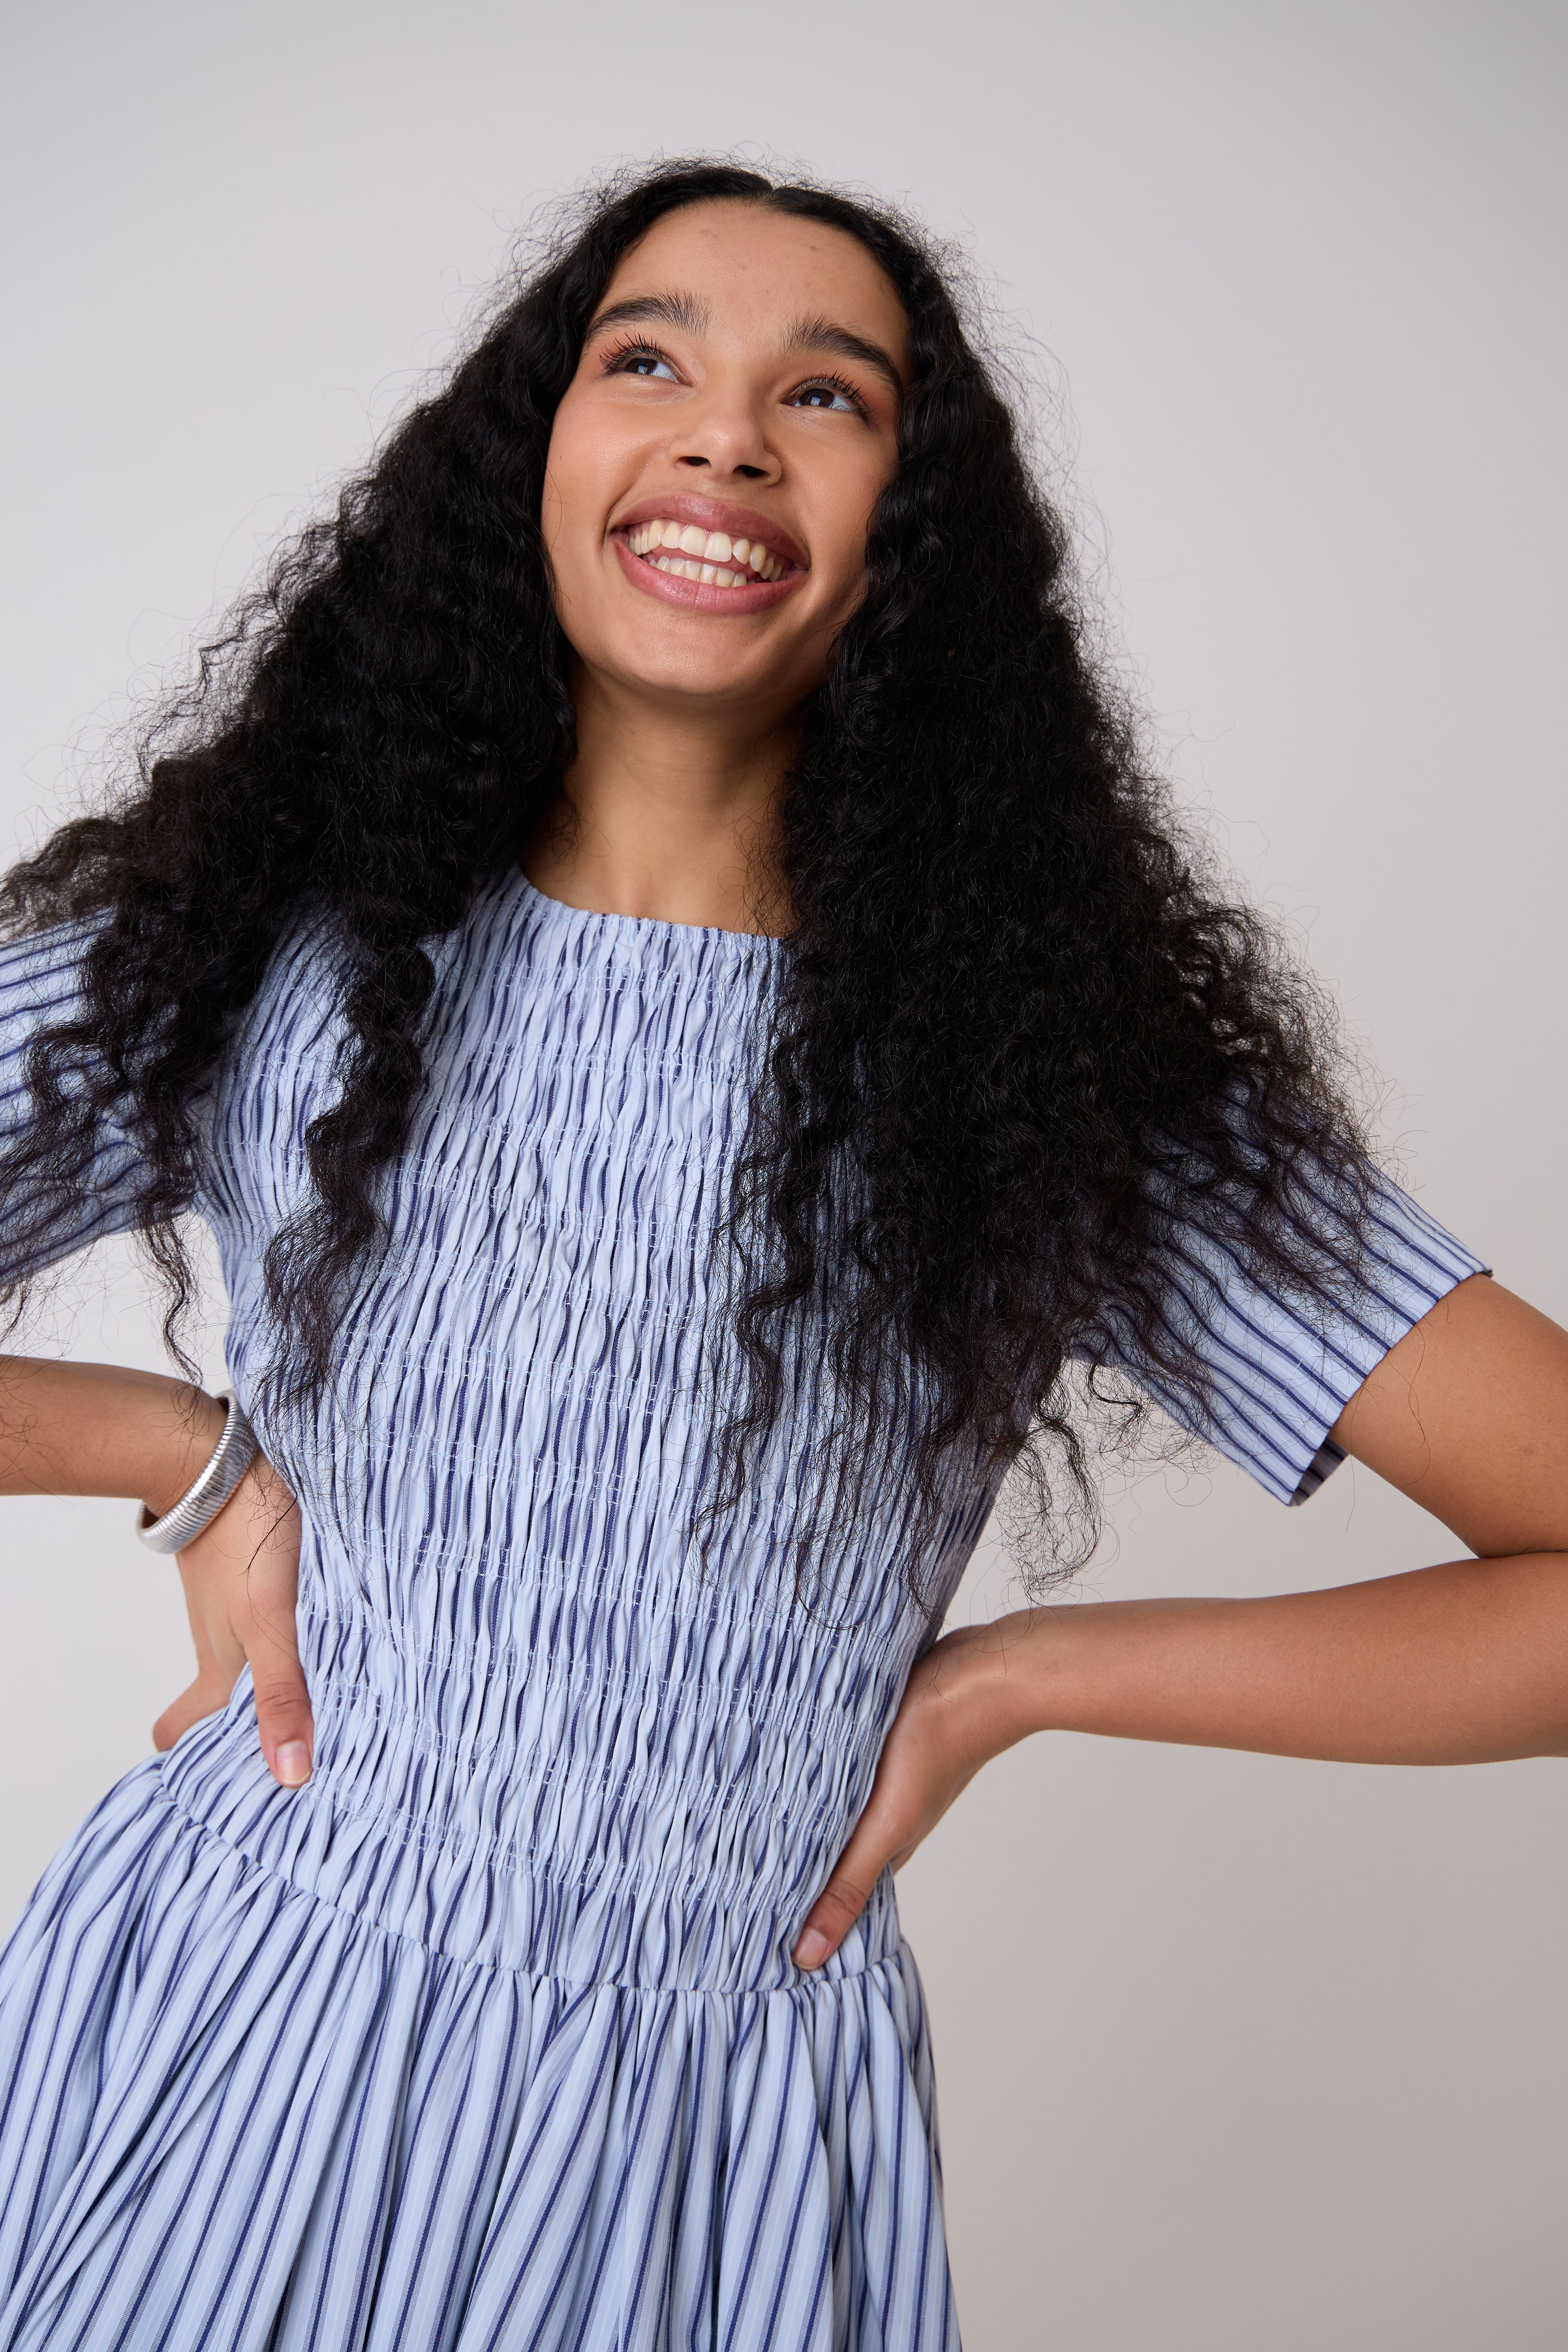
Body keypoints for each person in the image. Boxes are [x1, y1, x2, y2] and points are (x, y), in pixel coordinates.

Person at [0, 158, 1562, 2352]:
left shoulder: (1036, 1072)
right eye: (647, 359)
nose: (725, 431)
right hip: (227, 2027)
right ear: (529, 457)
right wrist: (174, 1443)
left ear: (908, 544)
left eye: (823, 394)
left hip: (698, 2145)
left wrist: (1027, 1679)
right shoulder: (271, 927)